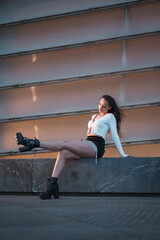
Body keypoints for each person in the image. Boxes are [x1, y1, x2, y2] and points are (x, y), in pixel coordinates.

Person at [16, 95, 131, 200]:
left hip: (96, 146)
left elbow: (115, 136)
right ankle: (52, 185)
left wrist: (123, 154)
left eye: (104, 106)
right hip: (87, 143)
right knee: (63, 152)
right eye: (99, 104)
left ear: (110, 107)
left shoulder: (110, 116)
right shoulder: (94, 116)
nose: (101, 107)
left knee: (64, 143)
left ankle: (33, 143)